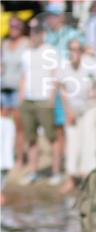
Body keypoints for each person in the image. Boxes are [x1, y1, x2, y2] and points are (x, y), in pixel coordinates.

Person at [57, 38, 96, 194]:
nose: (74, 53)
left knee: (89, 140)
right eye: (71, 49)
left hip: (90, 107)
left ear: (82, 51)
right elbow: (62, 89)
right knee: (72, 142)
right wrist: (67, 110)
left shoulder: (91, 63)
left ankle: (88, 177)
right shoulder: (64, 66)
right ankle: (71, 177)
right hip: (72, 109)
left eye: (77, 49)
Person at [19, 18, 61, 186]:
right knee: (30, 138)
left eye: (37, 32)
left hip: (44, 99)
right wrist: (21, 97)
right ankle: (33, 171)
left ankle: (56, 171)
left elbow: (55, 76)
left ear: (43, 34)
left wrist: (51, 98)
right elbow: (23, 77)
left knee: (52, 137)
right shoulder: (26, 53)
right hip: (28, 100)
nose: (34, 35)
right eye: (32, 32)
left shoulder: (50, 51)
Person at [2, 17, 30, 170]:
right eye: (11, 25)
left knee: (19, 126)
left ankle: (19, 158)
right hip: (3, 88)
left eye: (16, 26)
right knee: (3, 125)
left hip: (18, 90)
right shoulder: (5, 44)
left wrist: (23, 91)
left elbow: (27, 69)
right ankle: (5, 156)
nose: (13, 28)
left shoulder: (26, 43)